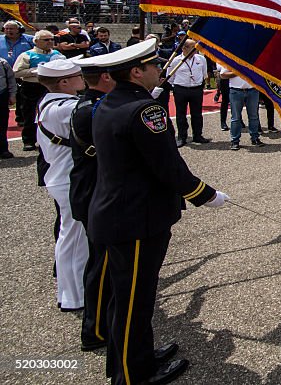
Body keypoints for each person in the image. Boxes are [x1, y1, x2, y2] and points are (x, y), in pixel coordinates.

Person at [89, 39, 228, 385]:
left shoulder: (113, 102)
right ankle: (134, 375)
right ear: (136, 72)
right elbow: (168, 167)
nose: (158, 70)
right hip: (136, 218)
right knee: (134, 302)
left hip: (121, 213)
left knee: (128, 298)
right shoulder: (145, 111)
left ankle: (131, 357)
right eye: (153, 66)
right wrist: (205, 194)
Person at [69, 53, 118, 352]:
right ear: (106, 78)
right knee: (101, 265)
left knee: (104, 262)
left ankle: (102, 320)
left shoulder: (91, 105)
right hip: (95, 191)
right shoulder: (94, 110)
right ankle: (95, 329)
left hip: (93, 189)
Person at [36, 59, 89, 312]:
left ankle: (71, 291)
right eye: (78, 75)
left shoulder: (49, 103)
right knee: (75, 238)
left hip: (61, 175)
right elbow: (105, 114)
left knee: (71, 236)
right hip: (69, 176)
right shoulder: (65, 108)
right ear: (64, 82)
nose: (83, 78)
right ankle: (74, 296)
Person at [12, 29, 65, 151]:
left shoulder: (57, 54)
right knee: (30, 114)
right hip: (32, 86)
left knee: (51, 114)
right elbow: (16, 72)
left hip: (52, 87)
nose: (50, 42)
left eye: (52, 39)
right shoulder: (27, 55)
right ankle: (29, 140)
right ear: (36, 41)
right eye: (46, 40)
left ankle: (49, 138)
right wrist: (35, 71)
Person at [165, 39, 210, 148]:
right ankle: (182, 137)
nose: (195, 50)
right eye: (192, 47)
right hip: (181, 89)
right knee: (181, 114)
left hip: (196, 89)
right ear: (184, 48)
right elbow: (170, 77)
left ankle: (198, 135)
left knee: (197, 114)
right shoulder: (176, 61)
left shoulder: (201, 59)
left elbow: (204, 73)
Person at [218, 64, 263, 150]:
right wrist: (238, 73)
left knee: (254, 116)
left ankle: (255, 137)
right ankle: (235, 140)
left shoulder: (252, 58)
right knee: (236, 117)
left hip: (252, 90)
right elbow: (223, 75)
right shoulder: (231, 58)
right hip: (236, 90)